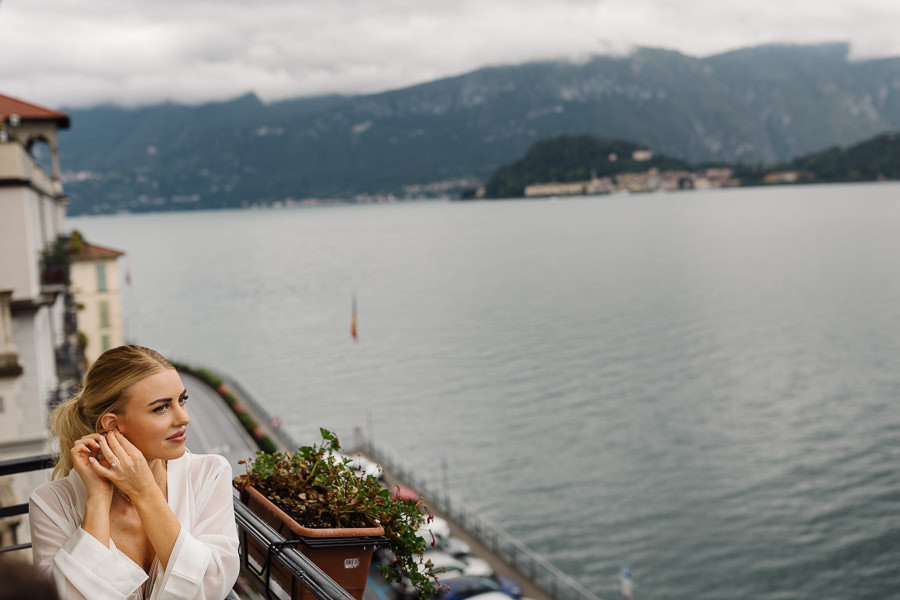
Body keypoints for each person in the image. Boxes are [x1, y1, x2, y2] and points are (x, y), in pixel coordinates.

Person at [29, 345, 240, 600]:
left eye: (182, 400)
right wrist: (97, 500)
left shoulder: (209, 474)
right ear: (113, 424)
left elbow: (213, 586)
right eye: (161, 408)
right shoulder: (51, 503)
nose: (184, 418)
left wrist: (145, 492)